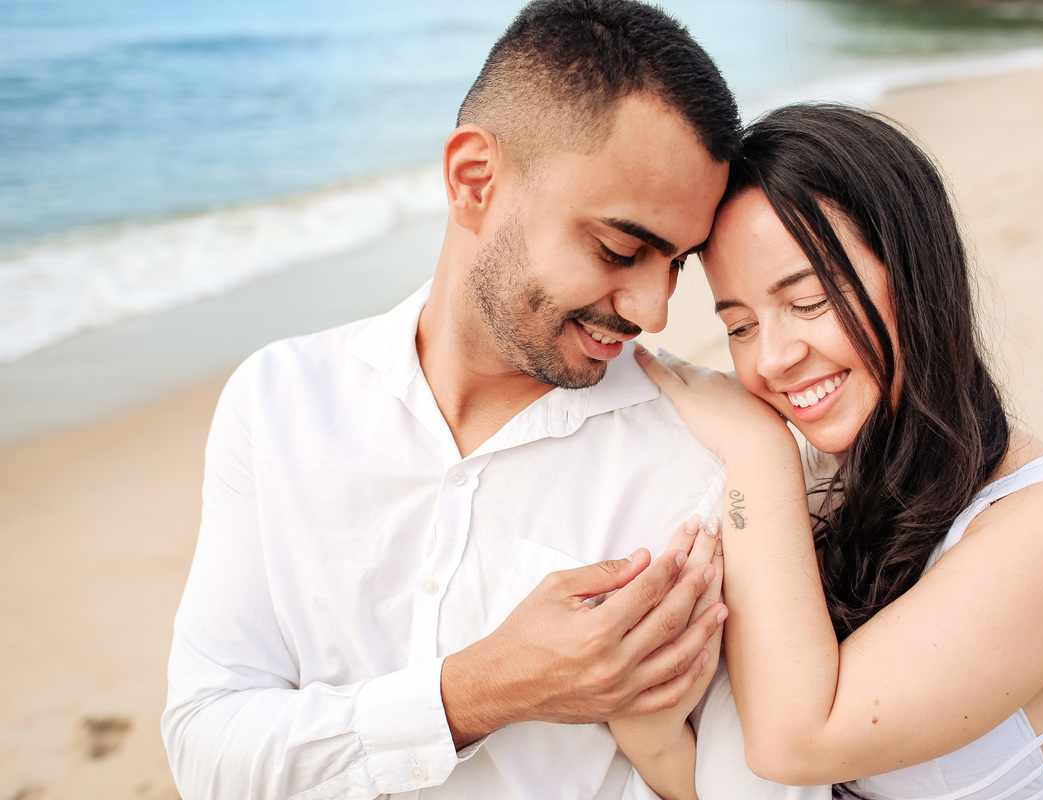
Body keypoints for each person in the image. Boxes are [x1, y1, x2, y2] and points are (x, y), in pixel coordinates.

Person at [161, 1, 741, 797]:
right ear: (475, 180)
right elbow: (207, 751)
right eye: (619, 248)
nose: (653, 311)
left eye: (676, 262)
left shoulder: (701, 463)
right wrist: (484, 687)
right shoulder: (279, 403)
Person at [621, 104, 1043, 800]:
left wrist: (757, 453)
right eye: (739, 325)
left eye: (807, 303)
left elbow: (796, 743)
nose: (772, 359)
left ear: (916, 272)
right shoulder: (821, 500)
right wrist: (653, 737)